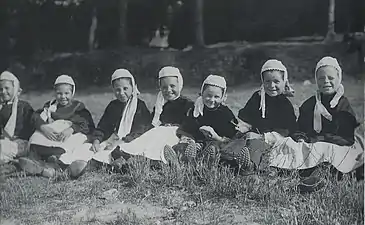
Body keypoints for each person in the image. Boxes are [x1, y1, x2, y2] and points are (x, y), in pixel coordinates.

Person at [253, 57, 363, 181]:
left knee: (330, 152)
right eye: (321, 78)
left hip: (334, 145)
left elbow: (346, 139)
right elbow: (300, 129)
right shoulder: (309, 105)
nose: (326, 81)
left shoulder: (343, 107)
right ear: (317, 80)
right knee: (289, 145)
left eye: (331, 78)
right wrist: (301, 137)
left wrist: (320, 139)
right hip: (311, 144)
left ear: (339, 79)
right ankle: (278, 170)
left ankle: (320, 175)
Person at [105, 66, 194, 165]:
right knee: (139, 144)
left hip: (176, 133)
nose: (168, 90)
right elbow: (152, 122)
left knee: (161, 149)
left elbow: (189, 125)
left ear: (180, 85)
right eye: (164, 87)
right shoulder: (160, 104)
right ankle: (128, 160)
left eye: (172, 86)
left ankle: (169, 160)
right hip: (159, 131)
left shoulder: (187, 104)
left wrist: (182, 135)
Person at [18, 75, 94, 178]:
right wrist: (43, 127)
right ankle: (37, 161)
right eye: (59, 93)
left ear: (72, 93)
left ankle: (52, 164)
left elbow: (86, 123)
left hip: (67, 135)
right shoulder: (50, 106)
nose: (63, 97)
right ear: (55, 93)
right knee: (36, 139)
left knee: (75, 143)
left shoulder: (78, 107)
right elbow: (36, 117)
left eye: (66, 93)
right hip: (51, 133)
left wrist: (71, 129)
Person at [168, 75, 243, 166]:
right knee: (182, 146)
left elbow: (232, 136)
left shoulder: (225, 113)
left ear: (223, 97)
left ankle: (205, 160)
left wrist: (216, 137)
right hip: (196, 142)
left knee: (215, 148)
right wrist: (189, 139)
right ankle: (179, 160)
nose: (212, 100)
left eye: (216, 97)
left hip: (216, 142)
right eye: (208, 96)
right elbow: (187, 128)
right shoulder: (195, 109)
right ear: (202, 93)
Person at [83, 69, 151, 166]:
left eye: (125, 89)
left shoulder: (139, 106)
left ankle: (125, 162)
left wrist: (122, 141)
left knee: (130, 150)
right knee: (96, 151)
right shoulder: (113, 106)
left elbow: (141, 129)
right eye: (118, 90)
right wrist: (97, 140)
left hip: (132, 139)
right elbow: (103, 126)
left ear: (133, 87)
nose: (122, 93)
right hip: (114, 139)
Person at [237, 59, 296, 171]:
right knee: (237, 143)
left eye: (276, 81)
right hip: (254, 135)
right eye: (267, 81)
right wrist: (243, 127)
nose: (271, 85)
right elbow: (247, 117)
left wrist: (263, 137)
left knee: (258, 147)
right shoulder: (257, 98)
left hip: (273, 140)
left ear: (284, 81)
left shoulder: (285, 104)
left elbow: (287, 131)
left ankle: (250, 166)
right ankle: (230, 159)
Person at [0, 71, 34, 175]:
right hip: (5, 142)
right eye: (0, 89)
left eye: (7, 88)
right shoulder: (1, 107)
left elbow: (32, 125)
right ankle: (12, 163)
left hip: (20, 144)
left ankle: (15, 164)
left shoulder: (24, 106)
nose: (3, 92)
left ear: (15, 89)